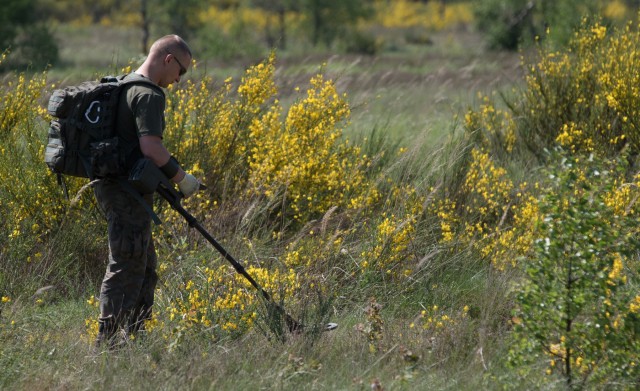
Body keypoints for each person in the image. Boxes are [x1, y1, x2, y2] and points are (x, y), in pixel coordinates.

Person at [94, 34, 200, 348]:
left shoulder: (123, 84)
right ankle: (108, 346)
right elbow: (151, 147)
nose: (179, 80)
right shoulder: (148, 94)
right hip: (125, 192)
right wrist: (183, 179)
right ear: (169, 60)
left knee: (144, 265)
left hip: (115, 187)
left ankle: (136, 337)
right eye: (182, 71)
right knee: (126, 263)